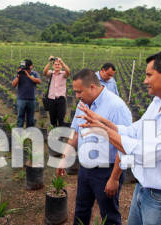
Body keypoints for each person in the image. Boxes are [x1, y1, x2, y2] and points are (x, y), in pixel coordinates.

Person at [76, 50, 161, 225]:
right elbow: (135, 131)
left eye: (149, 75)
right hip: (143, 188)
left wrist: (103, 131)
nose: (145, 81)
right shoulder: (158, 102)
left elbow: (148, 152)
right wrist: (103, 122)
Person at [56, 68, 132, 225]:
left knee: (108, 215)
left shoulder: (116, 107)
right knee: (81, 209)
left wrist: (114, 178)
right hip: (85, 168)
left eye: (79, 92)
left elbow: (125, 146)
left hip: (107, 170)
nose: (77, 96)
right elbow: (75, 133)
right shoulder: (83, 103)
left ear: (92, 87)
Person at [12, 59, 41, 128]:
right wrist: (18, 76)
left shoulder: (34, 73)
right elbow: (13, 84)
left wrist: (28, 76)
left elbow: (39, 81)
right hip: (21, 99)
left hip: (31, 99)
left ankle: (29, 133)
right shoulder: (20, 73)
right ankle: (19, 133)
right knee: (20, 117)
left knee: (30, 118)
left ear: (31, 66)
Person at [43, 56, 71, 127]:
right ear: (53, 66)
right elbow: (44, 72)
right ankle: (54, 132)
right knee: (52, 119)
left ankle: (61, 136)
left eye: (58, 65)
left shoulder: (63, 74)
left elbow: (68, 71)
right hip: (51, 99)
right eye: (55, 64)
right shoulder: (51, 73)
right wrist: (49, 62)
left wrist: (62, 62)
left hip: (61, 100)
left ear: (61, 66)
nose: (57, 66)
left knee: (61, 119)